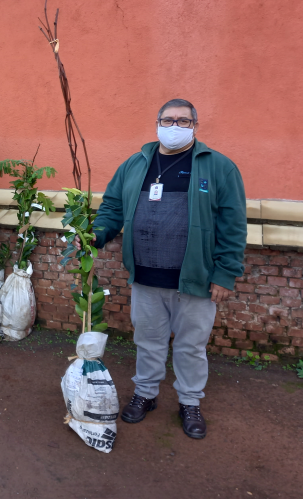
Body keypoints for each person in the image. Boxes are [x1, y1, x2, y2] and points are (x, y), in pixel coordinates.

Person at [91, 98, 246, 439]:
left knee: (191, 345)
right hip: (146, 276)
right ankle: (146, 394)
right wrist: (97, 235)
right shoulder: (135, 164)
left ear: (195, 126)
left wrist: (225, 273)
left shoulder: (218, 167)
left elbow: (233, 225)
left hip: (196, 280)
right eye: (168, 120)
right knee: (148, 341)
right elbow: (112, 207)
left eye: (183, 121)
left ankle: (190, 402)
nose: (174, 126)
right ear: (157, 122)